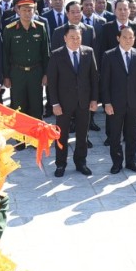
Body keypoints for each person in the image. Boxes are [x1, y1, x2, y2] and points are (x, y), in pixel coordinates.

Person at [46, 25, 99, 177]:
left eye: (78, 38)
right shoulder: (57, 55)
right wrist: (54, 103)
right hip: (63, 103)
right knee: (61, 136)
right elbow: (52, 81)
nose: (75, 41)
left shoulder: (88, 52)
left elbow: (94, 78)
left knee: (83, 135)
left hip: (84, 101)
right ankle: (60, 164)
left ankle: (81, 162)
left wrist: (94, 99)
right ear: (65, 38)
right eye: (72, 38)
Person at [101, 26, 136, 174]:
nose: (128, 40)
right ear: (118, 38)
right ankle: (117, 163)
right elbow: (105, 82)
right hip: (115, 104)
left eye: (131, 37)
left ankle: (131, 162)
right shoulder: (109, 56)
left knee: (132, 135)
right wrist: (107, 102)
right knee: (115, 135)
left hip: (134, 103)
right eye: (125, 37)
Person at [2, 0, 49, 124]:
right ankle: (20, 141)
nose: (27, 13)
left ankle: (36, 138)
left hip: (36, 72)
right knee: (18, 106)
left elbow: (46, 52)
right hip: (17, 73)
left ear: (35, 10)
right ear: (18, 10)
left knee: (36, 105)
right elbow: (5, 54)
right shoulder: (9, 29)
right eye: (24, 10)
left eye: (30, 10)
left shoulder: (40, 28)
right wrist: (6, 76)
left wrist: (46, 74)